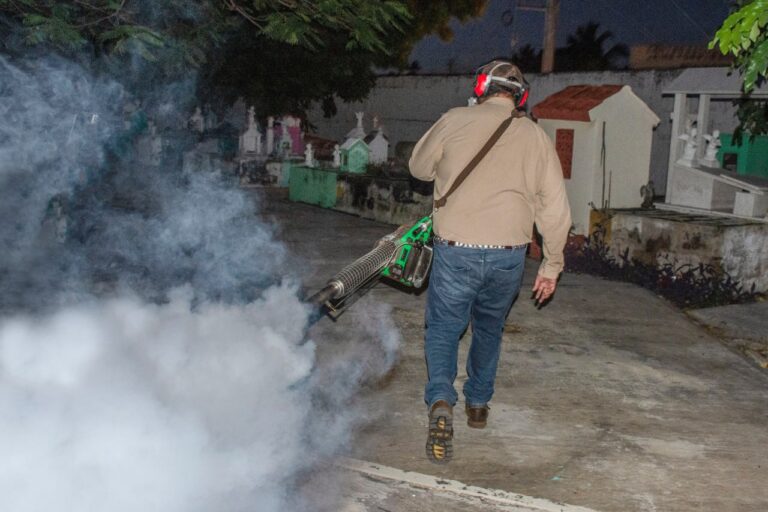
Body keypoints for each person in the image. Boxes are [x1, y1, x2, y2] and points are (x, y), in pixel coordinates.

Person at [409, 60, 571, 464]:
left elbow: (418, 167)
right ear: (521, 96)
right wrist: (551, 266)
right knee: (489, 328)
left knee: (444, 329)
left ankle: (442, 399)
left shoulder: (454, 119)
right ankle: (478, 405)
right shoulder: (535, 137)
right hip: (508, 257)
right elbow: (555, 209)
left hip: (456, 249)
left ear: (481, 86)